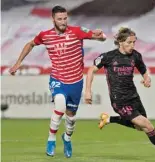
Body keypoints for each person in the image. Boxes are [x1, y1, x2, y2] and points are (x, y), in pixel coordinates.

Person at [9, 5, 106, 158]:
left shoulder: (77, 31)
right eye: (59, 19)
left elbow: (101, 37)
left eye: (65, 18)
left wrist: (101, 36)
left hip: (75, 81)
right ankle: (51, 139)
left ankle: (66, 138)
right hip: (58, 78)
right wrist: (18, 62)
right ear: (53, 19)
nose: (63, 22)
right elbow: (30, 44)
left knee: (71, 117)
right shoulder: (45, 35)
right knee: (59, 106)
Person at [85, 27, 155, 161]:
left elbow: (143, 70)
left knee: (139, 127)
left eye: (134, 42)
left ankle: (109, 119)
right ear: (120, 42)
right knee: (148, 126)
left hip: (134, 97)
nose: (132, 45)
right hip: (119, 101)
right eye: (129, 42)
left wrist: (147, 78)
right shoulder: (108, 57)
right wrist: (88, 92)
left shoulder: (136, 56)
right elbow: (91, 70)